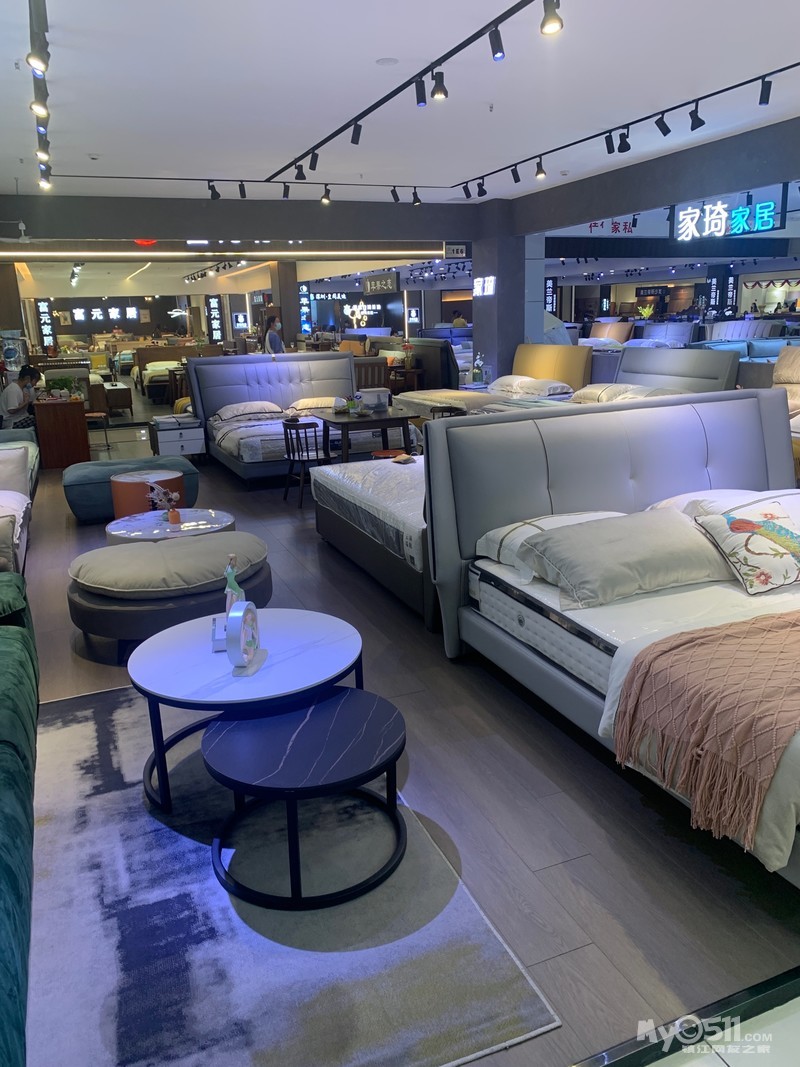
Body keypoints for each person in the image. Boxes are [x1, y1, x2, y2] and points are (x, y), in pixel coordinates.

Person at [0, 365, 41, 430]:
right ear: (27, 378)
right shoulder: (13, 389)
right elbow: (11, 410)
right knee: (40, 420)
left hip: (20, 418)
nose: (35, 384)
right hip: (12, 422)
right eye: (35, 381)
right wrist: (25, 402)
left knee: (39, 417)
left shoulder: (21, 389)